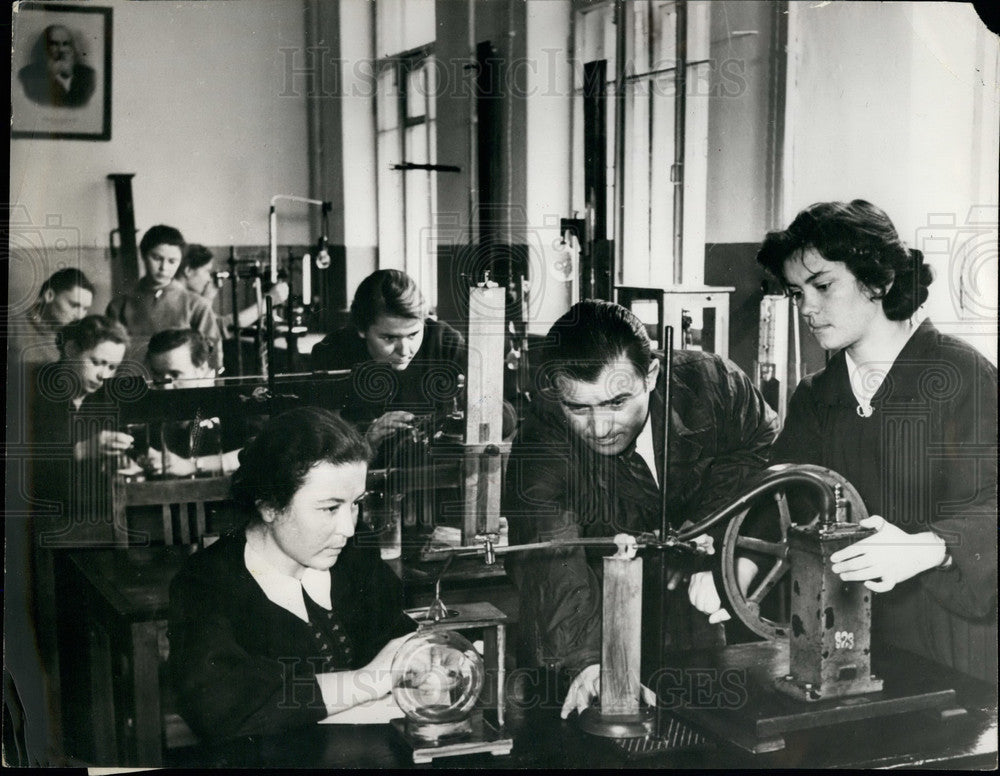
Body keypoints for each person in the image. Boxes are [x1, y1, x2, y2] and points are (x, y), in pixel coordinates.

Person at [756, 199, 997, 684]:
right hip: (846, 646)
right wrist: (734, 574)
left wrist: (931, 546)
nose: (807, 307)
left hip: (953, 648)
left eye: (823, 285)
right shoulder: (815, 398)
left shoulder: (960, 375)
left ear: (879, 282)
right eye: (796, 292)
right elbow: (775, 499)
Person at [503, 300, 778, 718]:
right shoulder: (542, 441)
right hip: (590, 615)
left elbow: (763, 455)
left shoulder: (712, 384)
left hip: (694, 615)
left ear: (651, 374)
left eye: (616, 402)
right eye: (578, 407)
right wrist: (589, 661)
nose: (599, 428)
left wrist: (713, 530)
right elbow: (550, 556)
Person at [167, 407, 416, 741]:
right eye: (329, 508)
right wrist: (372, 679)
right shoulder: (206, 583)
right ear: (269, 505)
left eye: (356, 503)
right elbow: (222, 709)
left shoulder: (352, 557)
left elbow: (401, 637)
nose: (347, 527)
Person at [311, 269, 466, 453]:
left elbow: (505, 416)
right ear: (361, 329)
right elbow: (318, 448)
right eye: (389, 338)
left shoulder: (446, 343)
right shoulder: (332, 352)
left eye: (413, 334)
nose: (405, 350)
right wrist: (365, 440)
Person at [106, 225, 224, 372]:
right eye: (156, 258)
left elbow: (212, 355)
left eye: (172, 261)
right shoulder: (119, 305)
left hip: (181, 387)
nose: (163, 267)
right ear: (143, 255)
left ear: (180, 261)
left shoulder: (196, 305)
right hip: (134, 382)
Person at [143, 328, 244, 476]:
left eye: (175, 374)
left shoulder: (232, 402)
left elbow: (262, 450)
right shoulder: (151, 407)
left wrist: (192, 465)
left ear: (201, 369)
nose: (165, 385)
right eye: (158, 375)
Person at [179, 243, 290, 334]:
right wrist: (268, 302)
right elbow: (223, 327)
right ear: (188, 271)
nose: (209, 278)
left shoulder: (186, 298)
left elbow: (206, 326)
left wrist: (207, 299)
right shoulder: (184, 301)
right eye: (206, 271)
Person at [12, 267, 95, 368]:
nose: (80, 316)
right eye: (74, 305)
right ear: (49, 295)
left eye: (85, 309)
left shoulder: (75, 339)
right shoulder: (12, 326)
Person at [17, 24, 96, 108]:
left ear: (72, 47)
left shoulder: (88, 74)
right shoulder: (27, 74)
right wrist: (50, 75)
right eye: (54, 44)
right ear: (44, 46)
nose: (61, 50)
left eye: (66, 44)